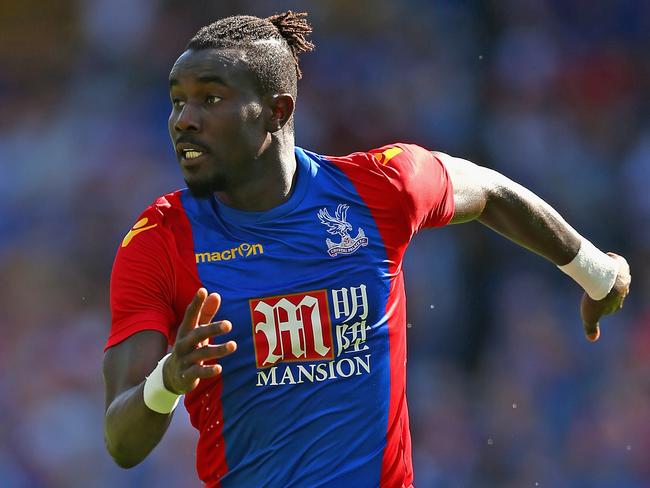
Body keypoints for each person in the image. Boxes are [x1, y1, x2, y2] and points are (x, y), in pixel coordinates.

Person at [102, 11, 631, 488]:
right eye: (177, 100)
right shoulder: (159, 242)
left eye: (210, 99)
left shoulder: (378, 187)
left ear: (276, 111)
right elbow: (121, 442)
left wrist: (595, 272)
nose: (183, 119)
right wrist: (166, 382)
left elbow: (488, 190)